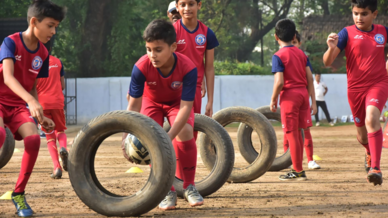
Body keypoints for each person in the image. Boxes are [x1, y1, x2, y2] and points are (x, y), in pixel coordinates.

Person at [124, 19, 203, 211]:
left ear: (173, 47)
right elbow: (133, 106)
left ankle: (189, 186)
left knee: (184, 131)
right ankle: (166, 191)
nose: (152, 55)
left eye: (158, 50)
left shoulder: (188, 67)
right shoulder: (141, 66)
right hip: (152, 103)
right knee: (151, 138)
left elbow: (186, 107)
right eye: (149, 49)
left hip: (177, 104)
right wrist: (125, 137)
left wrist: (168, 137)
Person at [0, 0, 65, 216]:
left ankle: (18, 194)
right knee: (0, 135)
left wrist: (41, 115)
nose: (54, 31)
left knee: (34, 139)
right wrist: (31, 101)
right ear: (34, 21)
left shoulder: (44, 54)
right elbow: (8, 78)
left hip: (18, 106)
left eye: (56, 26)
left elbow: (34, 86)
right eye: (51, 25)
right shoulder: (10, 42)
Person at [323, 0, 388, 186]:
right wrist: (331, 47)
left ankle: (375, 167)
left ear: (374, 14)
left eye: (364, 14)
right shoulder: (346, 33)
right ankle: (369, 151)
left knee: (371, 119)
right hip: (355, 89)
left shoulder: (383, 32)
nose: (359, 17)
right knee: (361, 135)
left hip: (379, 84)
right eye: (356, 13)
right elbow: (327, 62)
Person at [270, 19, 317, 181]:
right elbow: (310, 78)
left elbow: (280, 82)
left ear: (276, 37)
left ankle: (298, 171)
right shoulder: (302, 54)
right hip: (303, 94)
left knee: (291, 134)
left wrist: (273, 98)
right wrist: (313, 101)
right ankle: (298, 169)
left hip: (290, 96)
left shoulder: (278, 55)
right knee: (298, 133)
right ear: (294, 35)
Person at [174, 0, 219, 118]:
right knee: (176, 126)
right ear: (177, 7)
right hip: (174, 87)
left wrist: (210, 101)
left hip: (195, 87)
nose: (187, 8)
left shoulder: (207, 33)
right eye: (183, 5)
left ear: (199, 5)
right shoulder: (172, 32)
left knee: (193, 126)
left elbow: (209, 68)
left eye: (191, 4)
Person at [284, 31, 320, 170]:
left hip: (302, 99)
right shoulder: (282, 57)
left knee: (305, 130)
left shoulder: (303, 58)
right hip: (289, 100)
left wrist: (314, 102)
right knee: (288, 132)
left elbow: (310, 80)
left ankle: (310, 160)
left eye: (294, 43)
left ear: (299, 43)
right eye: (291, 43)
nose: (292, 45)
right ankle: (288, 161)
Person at [36, 39, 68, 179]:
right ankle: (63, 148)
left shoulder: (34, 64)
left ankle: (56, 168)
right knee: (60, 130)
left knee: (49, 137)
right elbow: (62, 86)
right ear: (50, 48)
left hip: (42, 104)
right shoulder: (58, 62)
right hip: (57, 102)